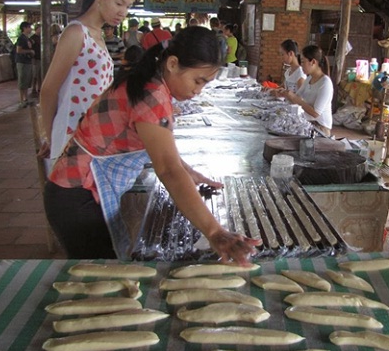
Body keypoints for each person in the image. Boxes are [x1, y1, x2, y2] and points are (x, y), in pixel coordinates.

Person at [43, 26, 262, 262]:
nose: (198, 91)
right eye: (197, 81)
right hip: (76, 195)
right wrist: (215, 232)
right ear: (173, 64)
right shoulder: (151, 95)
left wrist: (190, 173)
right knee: (97, 276)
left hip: (76, 191)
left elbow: (164, 153)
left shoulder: (149, 80)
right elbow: (167, 169)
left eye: (205, 84)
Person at [39, 0, 137, 162]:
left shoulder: (97, 34)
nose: (123, 12)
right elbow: (48, 90)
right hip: (72, 138)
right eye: (118, 3)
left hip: (94, 137)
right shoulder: (76, 33)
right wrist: (51, 137)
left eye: (128, 7)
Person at [277, 45, 333, 136]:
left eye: (303, 62)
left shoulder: (325, 83)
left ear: (313, 62)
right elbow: (297, 96)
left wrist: (295, 98)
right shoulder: (309, 78)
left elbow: (316, 113)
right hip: (308, 122)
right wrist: (285, 94)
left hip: (320, 128)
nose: (301, 65)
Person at [14, 21, 34, 108]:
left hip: (27, 61)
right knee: (22, 81)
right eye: (29, 27)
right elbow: (18, 50)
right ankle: (21, 100)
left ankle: (25, 99)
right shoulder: (21, 38)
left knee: (26, 81)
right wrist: (29, 51)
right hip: (22, 61)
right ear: (25, 28)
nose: (30, 29)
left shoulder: (27, 38)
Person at [30, 23, 42, 99]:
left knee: (40, 74)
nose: (40, 30)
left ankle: (39, 87)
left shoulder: (42, 37)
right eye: (39, 29)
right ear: (36, 29)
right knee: (35, 74)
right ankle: (33, 87)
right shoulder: (32, 38)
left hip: (40, 57)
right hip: (35, 58)